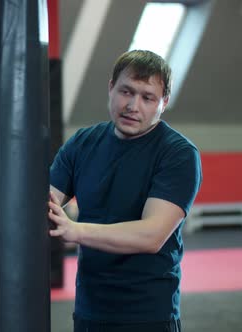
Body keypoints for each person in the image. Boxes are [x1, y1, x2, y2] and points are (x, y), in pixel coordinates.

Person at [47, 50, 202, 332]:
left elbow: (152, 235)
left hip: (147, 314)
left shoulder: (177, 154)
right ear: (111, 88)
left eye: (147, 97)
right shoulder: (83, 143)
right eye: (126, 91)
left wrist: (75, 230)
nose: (133, 105)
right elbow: (43, 202)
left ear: (164, 103)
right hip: (89, 310)